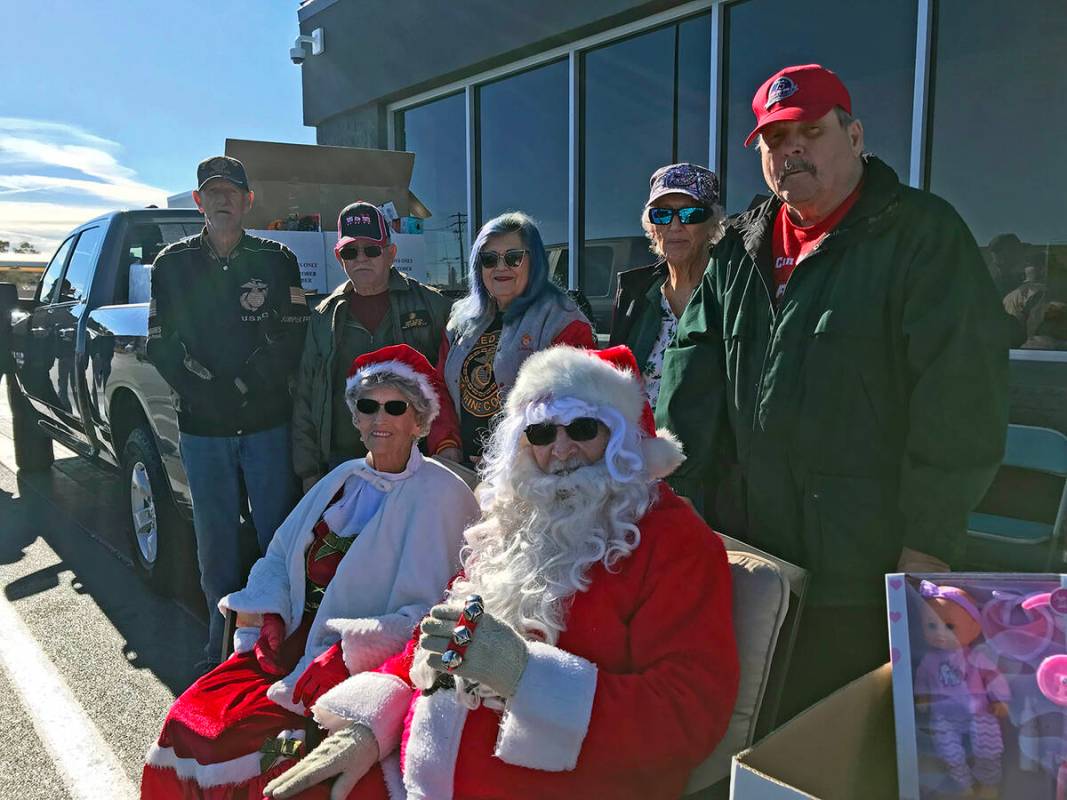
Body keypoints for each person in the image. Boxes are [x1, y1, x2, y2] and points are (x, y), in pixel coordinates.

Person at [656, 64, 1009, 718]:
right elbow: (687, 384)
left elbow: (962, 396)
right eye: (771, 141)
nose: (788, 152)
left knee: (843, 750)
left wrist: (927, 541)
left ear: (853, 136)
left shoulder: (920, 236)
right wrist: (680, 514)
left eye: (809, 133)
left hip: (860, 571)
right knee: (747, 740)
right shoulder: (735, 248)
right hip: (749, 559)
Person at [261, 344, 738, 800]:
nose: (562, 450)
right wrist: (370, 726)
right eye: (542, 433)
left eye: (583, 429)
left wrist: (524, 674)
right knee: (280, 772)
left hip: (558, 784)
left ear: (623, 440)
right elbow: (437, 637)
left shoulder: (675, 542)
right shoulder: (516, 521)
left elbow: (689, 714)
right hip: (429, 759)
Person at [141, 345, 480, 799]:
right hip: (289, 649)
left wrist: (348, 652)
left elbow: (433, 614)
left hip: (356, 676)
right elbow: (278, 556)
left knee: (265, 752)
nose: (380, 417)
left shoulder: (443, 496)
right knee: (189, 718)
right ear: (356, 419)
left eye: (395, 407)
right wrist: (271, 615)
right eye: (367, 406)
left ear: (419, 421)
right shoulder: (342, 477)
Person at [147, 155, 311, 665]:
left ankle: (282, 640)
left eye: (231, 192)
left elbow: (293, 330)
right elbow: (161, 343)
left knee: (277, 540)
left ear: (248, 201)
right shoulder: (170, 265)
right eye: (211, 192)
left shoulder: (276, 258)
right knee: (215, 545)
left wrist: (242, 380)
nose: (221, 200)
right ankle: (220, 645)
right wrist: (209, 389)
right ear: (198, 201)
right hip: (203, 429)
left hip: (266, 425)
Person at [292, 202, 454, 493]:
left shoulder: (433, 306)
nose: (361, 259)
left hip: (413, 459)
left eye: (372, 250)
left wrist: (447, 448)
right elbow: (306, 394)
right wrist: (309, 472)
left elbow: (451, 382)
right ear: (339, 258)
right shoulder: (323, 317)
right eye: (350, 252)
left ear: (391, 253)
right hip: (343, 463)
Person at [430, 212, 595, 465]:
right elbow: (439, 387)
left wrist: (508, 453)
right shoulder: (460, 320)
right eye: (489, 259)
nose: (501, 267)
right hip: (462, 469)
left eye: (513, 258)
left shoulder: (564, 321)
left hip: (530, 474)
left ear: (535, 261)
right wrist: (446, 444)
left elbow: (569, 406)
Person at [610, 163, 724, 409]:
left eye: (690, 214)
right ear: (651, 226)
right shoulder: (635, 294)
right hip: (639, 444)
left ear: (712, 224)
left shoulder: (729, 291)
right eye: (662, 214)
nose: (674, 226)